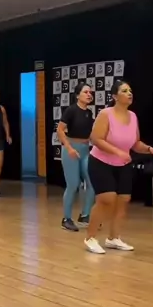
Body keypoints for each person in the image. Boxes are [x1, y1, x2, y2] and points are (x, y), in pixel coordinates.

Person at [84, 80, 153, 254]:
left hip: (123, 164)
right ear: (114, 96)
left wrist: (149, 149)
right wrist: (118, 152)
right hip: (100, 162)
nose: (129, 93)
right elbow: (96, 139)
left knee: (123, 200)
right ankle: (90, 238)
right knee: (107, 199)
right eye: (125, 91)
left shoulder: (133, 117)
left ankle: (113, 238)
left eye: (130, 90)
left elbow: (135, 143)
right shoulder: (106, 114)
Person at [57, 81, 95, 231]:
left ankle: (85, 215)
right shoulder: (71, 110)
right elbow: (60, 130)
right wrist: (69, 148)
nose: (89, 94)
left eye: (90, 92)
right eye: (86, 92)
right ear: (78, 95)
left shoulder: (89, 113)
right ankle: (66, 219)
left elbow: (89, 134)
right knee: (73, 184)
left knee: (92, 182)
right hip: (71, 149)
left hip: (85, 150)